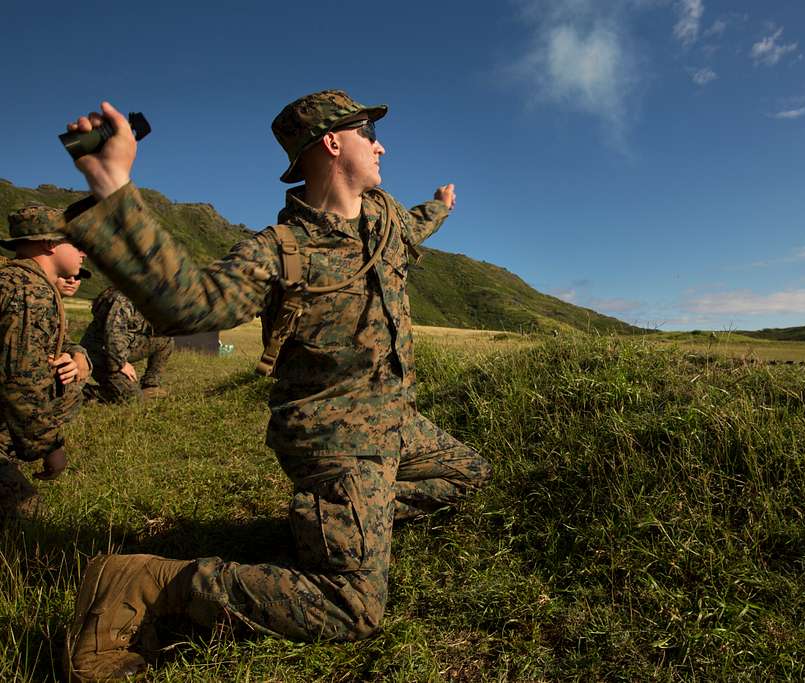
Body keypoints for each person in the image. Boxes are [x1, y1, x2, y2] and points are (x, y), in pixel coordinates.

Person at [61, 93, 492, 681]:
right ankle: (156, 582)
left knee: (467, 473)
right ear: (334, 142)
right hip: (335, 441)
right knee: (354, 608)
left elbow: (418, 224)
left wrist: (441, 205)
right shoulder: (278, 252)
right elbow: (190, 304)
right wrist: (113, 189)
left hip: (396, 423)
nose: (381, 144)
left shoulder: (385, 220)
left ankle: (335, 526)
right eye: (369, 133)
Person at [0, 205, 91, 518]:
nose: (84, 254)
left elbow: (52, 343)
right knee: (31, 517)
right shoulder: (30, 292)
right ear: (50, 244)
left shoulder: (18, 281)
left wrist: (78, 355)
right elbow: (22, 379)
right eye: (76, 244)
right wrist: (51, 449)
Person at [79, 286, 174, 402]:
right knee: (132, 397)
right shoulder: (122, 299)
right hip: (98, 354)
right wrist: (121, 363)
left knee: (166, 340)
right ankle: (80, 393)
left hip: (120, 349)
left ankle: (150, 385)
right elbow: (113, 333)